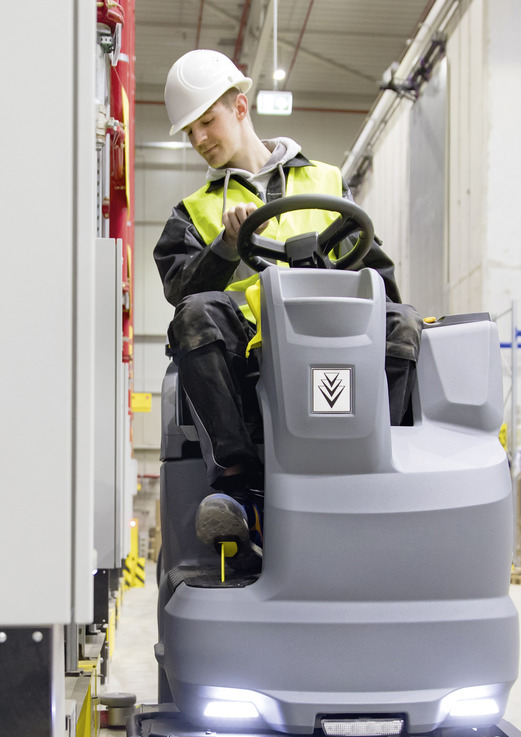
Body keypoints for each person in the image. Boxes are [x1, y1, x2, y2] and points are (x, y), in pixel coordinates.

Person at [154, 49, 422, 564]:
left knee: (403, 323)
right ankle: (239, 491)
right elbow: (180, 289)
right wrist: (225, 247)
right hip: (248, 354)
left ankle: (374, 467)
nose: (200, 139)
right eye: (189, 132)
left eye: (207, 121)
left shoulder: (327, 182)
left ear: (240, 106)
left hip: (331, 337)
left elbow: (377, 272)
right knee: (194, 317)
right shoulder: (192, 212)